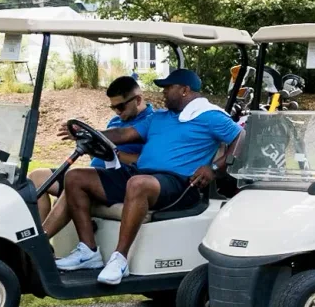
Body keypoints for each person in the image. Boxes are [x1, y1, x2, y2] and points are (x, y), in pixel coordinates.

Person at [50, 68, 242, 285]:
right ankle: (88, 251)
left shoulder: (210, 116)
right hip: (143, 176)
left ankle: (119, 259)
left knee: (138, 184)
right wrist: (87, 133)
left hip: (180, 183)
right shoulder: (160, 117)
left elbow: (242, 137)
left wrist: (215, 168)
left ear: (185, 90)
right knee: (76, 177)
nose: (163, 93)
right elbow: (123, 134)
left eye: (168, 88)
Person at [34, 75, 153, 234]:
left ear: (137, 100)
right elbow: (97, 156)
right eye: (113, 108)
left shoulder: (152, 123)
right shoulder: (114, 122)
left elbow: (147, 160)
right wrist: (87, 144)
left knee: (73, 182)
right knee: (36, 178)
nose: (117, 112)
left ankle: (40, 244)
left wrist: (116, 154)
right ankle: (41, 241)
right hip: (95, 173)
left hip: (116, 180)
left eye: (121, 107)